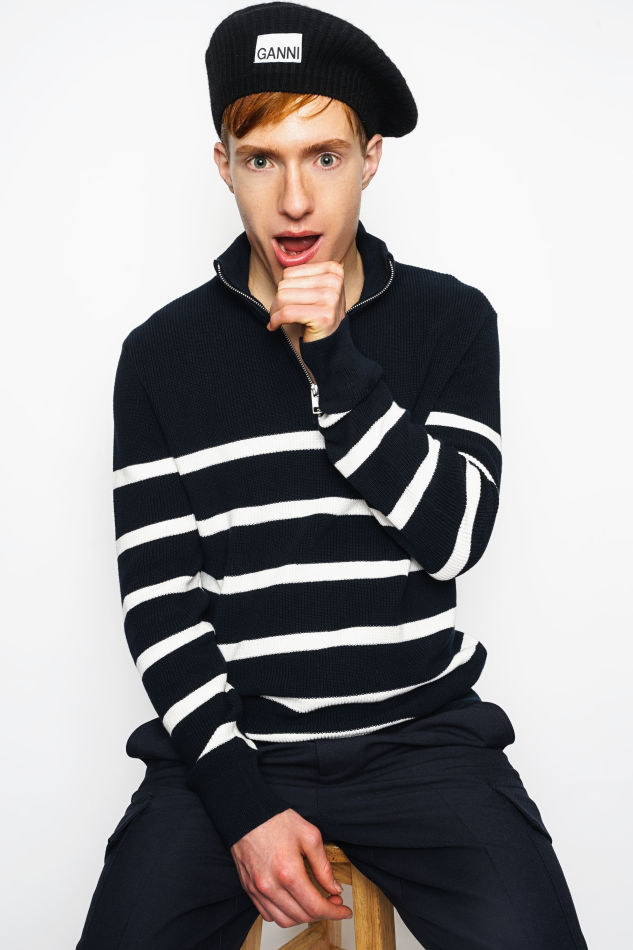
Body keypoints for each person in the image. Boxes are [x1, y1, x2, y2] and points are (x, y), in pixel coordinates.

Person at [76, 3, 589, 948]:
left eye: (324, 156)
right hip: (233, 748)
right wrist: (242, 805)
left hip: (421, 738)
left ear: (370, 158)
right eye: (261, 159)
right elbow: (159, 603)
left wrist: (336, 362)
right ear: (223, 165)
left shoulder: (449, 321)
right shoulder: (160, 355)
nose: (295, 200)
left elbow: (454, 539)